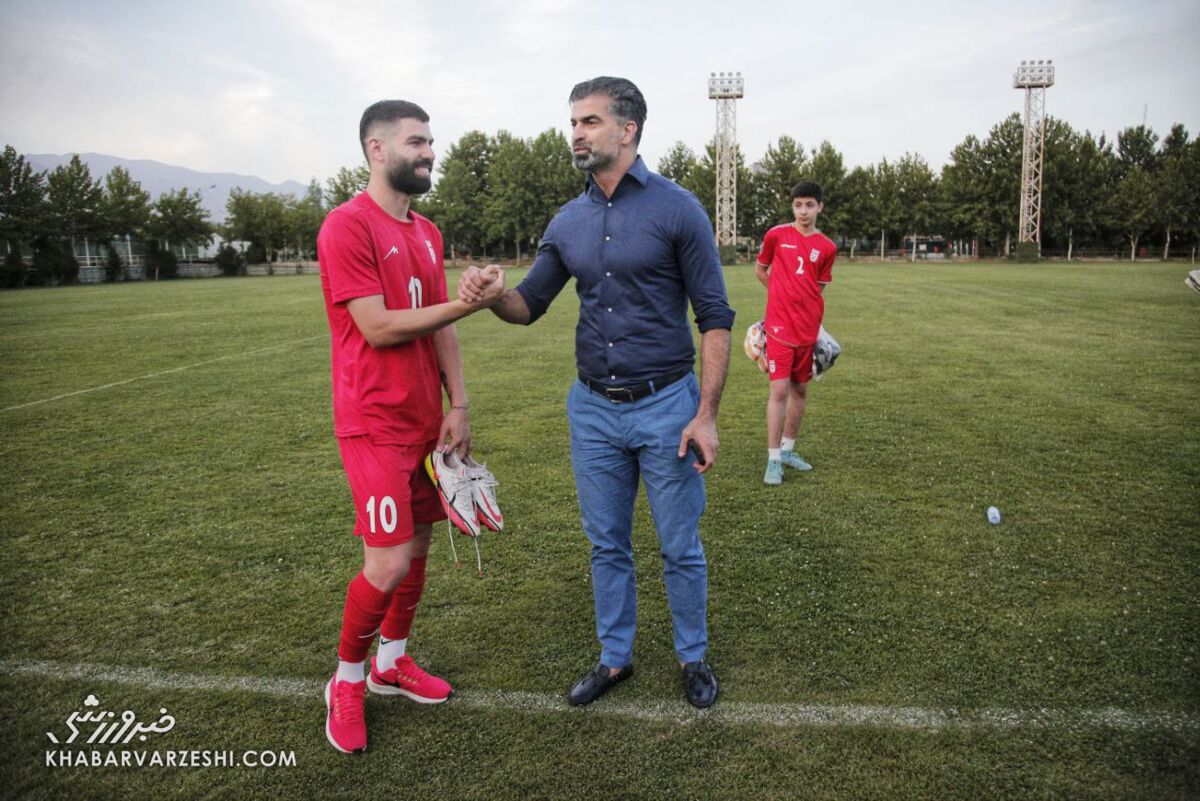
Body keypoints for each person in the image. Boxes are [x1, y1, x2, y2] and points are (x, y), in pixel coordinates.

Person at [460, 77, 734, 709]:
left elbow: (714, 316)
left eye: (588, 122)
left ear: (628, 129)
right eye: (573, 123)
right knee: (606, 542)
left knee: (678, 544)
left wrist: (707, 414)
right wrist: (492, 294)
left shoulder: (678, 209)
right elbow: (529, 304)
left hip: (668, 407)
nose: (576, 134)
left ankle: (692, 656)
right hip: (592, 411)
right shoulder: (569, 219)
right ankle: (615, 659)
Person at [317, 99, 504, 754]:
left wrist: (458, 404)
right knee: (389, 559)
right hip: (372, 423)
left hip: (427, 422)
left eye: (431, 142)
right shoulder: (347, 226)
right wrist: (466, 299)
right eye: (416, 142)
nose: (429, 153)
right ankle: (345, 680)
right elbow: (377, 326)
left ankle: (391, 662)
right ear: (376, 149)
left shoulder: (426, 232)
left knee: (418, 548)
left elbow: (442, 327)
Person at [754, 181, 836, 485]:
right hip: (778, 328)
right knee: (778, 391)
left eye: (810, 205)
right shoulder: (776, 235)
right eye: (798, 205)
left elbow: (818, 289)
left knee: (800, 391)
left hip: (808, 330)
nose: (804, 211)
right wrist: (779, 296)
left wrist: (813, 322)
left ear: (819, 207)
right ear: (792, 207)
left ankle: (788, 450)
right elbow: (761, 270)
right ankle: (773, 459)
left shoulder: (827, 247)